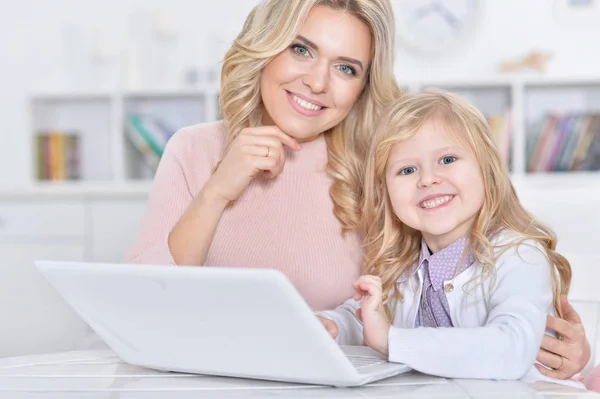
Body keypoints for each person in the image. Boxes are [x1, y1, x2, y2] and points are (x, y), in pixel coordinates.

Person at [123, 0, 591, 379]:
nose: (317, 81)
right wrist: (218, 191)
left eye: (346, 68)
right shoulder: (193, 149)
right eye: (301, 49)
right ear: (265, 47)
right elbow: (136, 308)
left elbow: (432, 286)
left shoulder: (389, 165)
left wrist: (555, 348)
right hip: (197, 382)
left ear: (364, 85)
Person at [316, 90, 584, 384]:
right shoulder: (404, 266)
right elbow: (366, 317)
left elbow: (509, 349)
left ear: (487, 170)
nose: (428, 179)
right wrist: (331, 326)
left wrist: (392, 341)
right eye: (407, 169)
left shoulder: (519, 255)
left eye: (447, 159)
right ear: (386, 195)